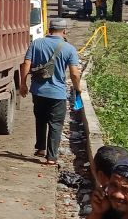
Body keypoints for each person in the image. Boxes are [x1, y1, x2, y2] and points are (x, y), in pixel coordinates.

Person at [20, 18, 82, 165]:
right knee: (55, 124)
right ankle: (51, 157)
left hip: (38, 91)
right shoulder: (69, 48)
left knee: (40, 119)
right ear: (64, 31)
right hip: (57, 93)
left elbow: (26, 63)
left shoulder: (36, 43)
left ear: (49, 29)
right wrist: (77, 88)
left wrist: (22, 83)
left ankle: (41, 148)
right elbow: (74, 73)